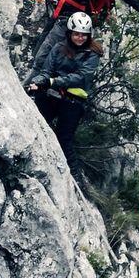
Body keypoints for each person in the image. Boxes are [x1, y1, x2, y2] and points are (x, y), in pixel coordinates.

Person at [26, 12, 101, 178]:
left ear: (89, 35)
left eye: (84, 35)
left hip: (73, 102)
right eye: (76, 34)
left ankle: (75, 177)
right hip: (52, 96)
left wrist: (52, 82)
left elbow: (80, 77)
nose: (80, 38)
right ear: (70, 33)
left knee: (64, 139)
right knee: (35, 123)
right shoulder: (59, 48)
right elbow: (46, 70)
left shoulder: (92, 54)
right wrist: (37, 82)